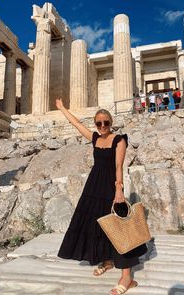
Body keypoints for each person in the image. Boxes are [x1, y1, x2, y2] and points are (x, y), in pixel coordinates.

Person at [56, 98, 146, 295]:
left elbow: (118, 166)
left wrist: (119, 189)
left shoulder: (119, 140)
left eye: (106, 122)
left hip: (110, 186)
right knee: (96, 224)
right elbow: (77, 124)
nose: (102, 126)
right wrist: (63, 108)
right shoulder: (95, 138)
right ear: (96, 124)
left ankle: (127, 277)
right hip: (93, 185)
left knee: (120, 228)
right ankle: (106, 260)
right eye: (99, 123)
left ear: (110, 122)